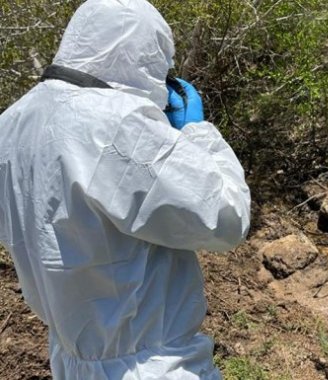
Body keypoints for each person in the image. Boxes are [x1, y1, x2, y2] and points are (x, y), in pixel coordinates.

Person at [0, 0, 251, 379]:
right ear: (142, 56)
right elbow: (225, 217)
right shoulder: (118, 123)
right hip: (153, 366)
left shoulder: (11, 123)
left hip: (70, 361)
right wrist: (195, 135)